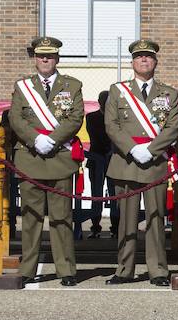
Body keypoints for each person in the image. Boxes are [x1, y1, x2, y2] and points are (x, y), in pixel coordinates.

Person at [103, 39, 178, 286]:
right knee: (126, 220)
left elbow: (173, 127)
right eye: (139, 57)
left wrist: (152, 150)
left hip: (155, 162)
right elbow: (111, 125)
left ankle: (158, 270)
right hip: (127, 161)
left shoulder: (169, 93)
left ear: (156, 61)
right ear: (133, 62)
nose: (144, 60)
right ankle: (124, 269)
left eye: (148, 56)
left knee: (156, 219)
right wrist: (133, 148)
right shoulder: (118, 90)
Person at [8, 36, 84, 286]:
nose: (45, 60)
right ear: (35, 59)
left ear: (57, 59)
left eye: (49, 56)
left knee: (62, 218)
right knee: (31, 218)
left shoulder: (72, 86)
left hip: (59, 158)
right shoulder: (23, 87)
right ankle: (28, 268)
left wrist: (51, 140)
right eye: (41, 55)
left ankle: (66, 269)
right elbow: (16, 119)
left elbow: (75, 118)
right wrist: (34, 140)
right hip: (30, 159)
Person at [85, 90, 114, 239]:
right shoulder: (91, 117)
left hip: (112, 160)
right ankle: (95, 226)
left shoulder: (115, 118)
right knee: (96, 194)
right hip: (96, 158)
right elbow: (95, 137)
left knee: (114, 194)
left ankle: (115, 227)